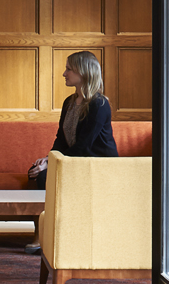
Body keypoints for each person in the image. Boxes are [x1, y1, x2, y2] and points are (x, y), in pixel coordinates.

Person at [28, 50, 117, 191]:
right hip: (75, 160)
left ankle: (58, 213)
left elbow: (84, 146)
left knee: (44, 176)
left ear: (83, 72)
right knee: (34, 171)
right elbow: (61, 139)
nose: (64, 74)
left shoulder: (99, 104)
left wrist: (52, 163)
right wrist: (48, 158)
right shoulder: (69, 102)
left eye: (68, 69)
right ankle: (44, 213)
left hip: (94, 164)